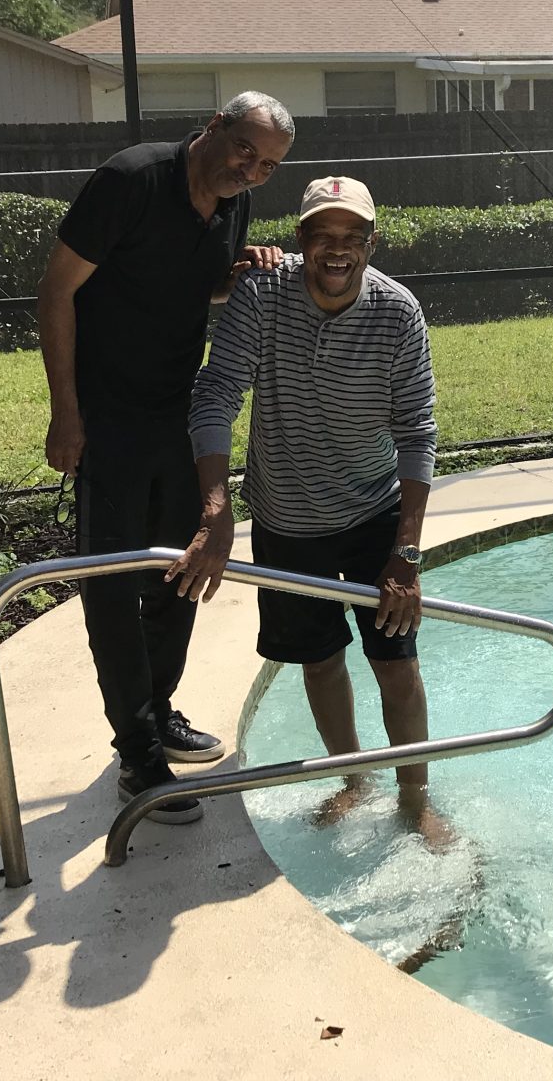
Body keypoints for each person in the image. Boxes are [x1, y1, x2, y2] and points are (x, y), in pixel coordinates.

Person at [168, 175, 451, 847]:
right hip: (287, 520)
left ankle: (415, 799)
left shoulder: (396, 311)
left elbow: (418, 431)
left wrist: (405, 555)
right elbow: (215, 395)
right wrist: (216, 511)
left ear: (371, 244)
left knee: (396, 662)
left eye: (352, 238)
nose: (337, 250)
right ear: (301, 240)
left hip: (375, 514)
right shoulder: (262, 294)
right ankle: (355, 780)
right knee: (319, 660)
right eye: (323, 235)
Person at [37, 90, 295, 823]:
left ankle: (157, 707)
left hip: (181, 414)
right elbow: (57, 292)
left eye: (269, 165)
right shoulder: (131, 180)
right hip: (110, 419)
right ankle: (137, 753)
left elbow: (196, 283)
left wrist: (236, 273)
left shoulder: (232, 204)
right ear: (214, 126)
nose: (251, 169)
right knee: (113, 582)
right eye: (245, 148)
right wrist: (67, 412)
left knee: (184, 568)